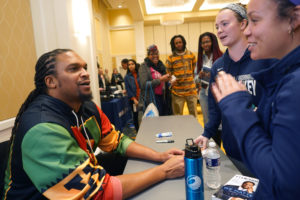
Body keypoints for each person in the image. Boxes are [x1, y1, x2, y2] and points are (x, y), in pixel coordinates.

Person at [1, 49, 185, 199]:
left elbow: (117, 141)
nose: (85, 73)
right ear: (51, 82)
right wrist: (165, 171)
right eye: (74, 69)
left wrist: (159, 156)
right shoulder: (42, 128)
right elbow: (96, 194)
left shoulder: (87, 107)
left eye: (85, 67)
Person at [211, 0, 300, 198]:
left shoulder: (295, 85)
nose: (248, 31)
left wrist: (237, 109)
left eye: (255, 21)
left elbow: (280, 182)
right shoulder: (286, 77)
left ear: (293, 19)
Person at [194, 3, 276, 175]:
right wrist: (206, 133)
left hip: (263, 151)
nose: (219, 30)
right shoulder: (218, 66)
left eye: (225, 24)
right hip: (232, 150)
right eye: (217, 26)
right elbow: (214, 107)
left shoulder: (264, 58)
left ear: (243, 24)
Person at [166, 35, 198, 118]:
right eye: (176, 43)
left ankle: (195, 131)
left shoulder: (191, 55)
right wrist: (173, 79)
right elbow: (169, 72)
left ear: (183, 43)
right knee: (177, 116)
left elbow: (194, 70)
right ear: (174, 45)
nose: (178, 44)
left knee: (193, 116)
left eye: (180, 42)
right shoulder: (170, 58)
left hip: (191, 90)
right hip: (177, 92)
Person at [196, 32, 223, 125]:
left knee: (220, 119)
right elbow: (195, 79)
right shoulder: (200, 59)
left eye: (207, 42)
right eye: (203, 43)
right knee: (207, 120)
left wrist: (213, 75)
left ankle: (219, 138)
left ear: (213, 42)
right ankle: (209, 138)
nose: (205, 44)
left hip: (218, 92)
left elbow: (226, 75)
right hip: (204, 93)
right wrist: (199, 76)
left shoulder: (221, 57)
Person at [139, 44, 172, 116]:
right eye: (152, 54)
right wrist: (160, 79)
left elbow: (165, 83)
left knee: (163, 121)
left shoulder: (161, 66)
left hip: (163, 98)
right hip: (151, 99)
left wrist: (170, 82)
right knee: (155, 123)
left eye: (156, 54)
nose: (155, 56)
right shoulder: (144, 66)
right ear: (148, 55)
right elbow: (143, 84)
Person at [124, 59, 140, 131]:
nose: (131, 66)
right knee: (135, 117)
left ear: (135, 65)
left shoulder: (140, 74)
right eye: (129, 65)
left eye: (132, 64)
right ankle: (138, 132)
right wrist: (134, 99)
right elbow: (128, 89)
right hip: (133, 100)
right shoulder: (127, 77)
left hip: (142, 98)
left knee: (144, 116)